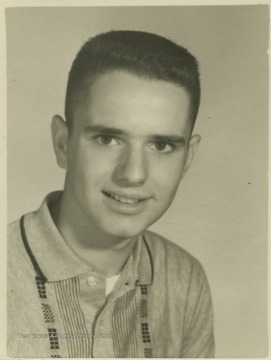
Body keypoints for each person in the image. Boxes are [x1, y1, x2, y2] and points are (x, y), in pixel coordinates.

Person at [7, 30, 215, 358]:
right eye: (107, 139)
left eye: (161, 145)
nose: (133, 174)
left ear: (187, 158)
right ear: (62, 143)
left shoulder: (184, 279)